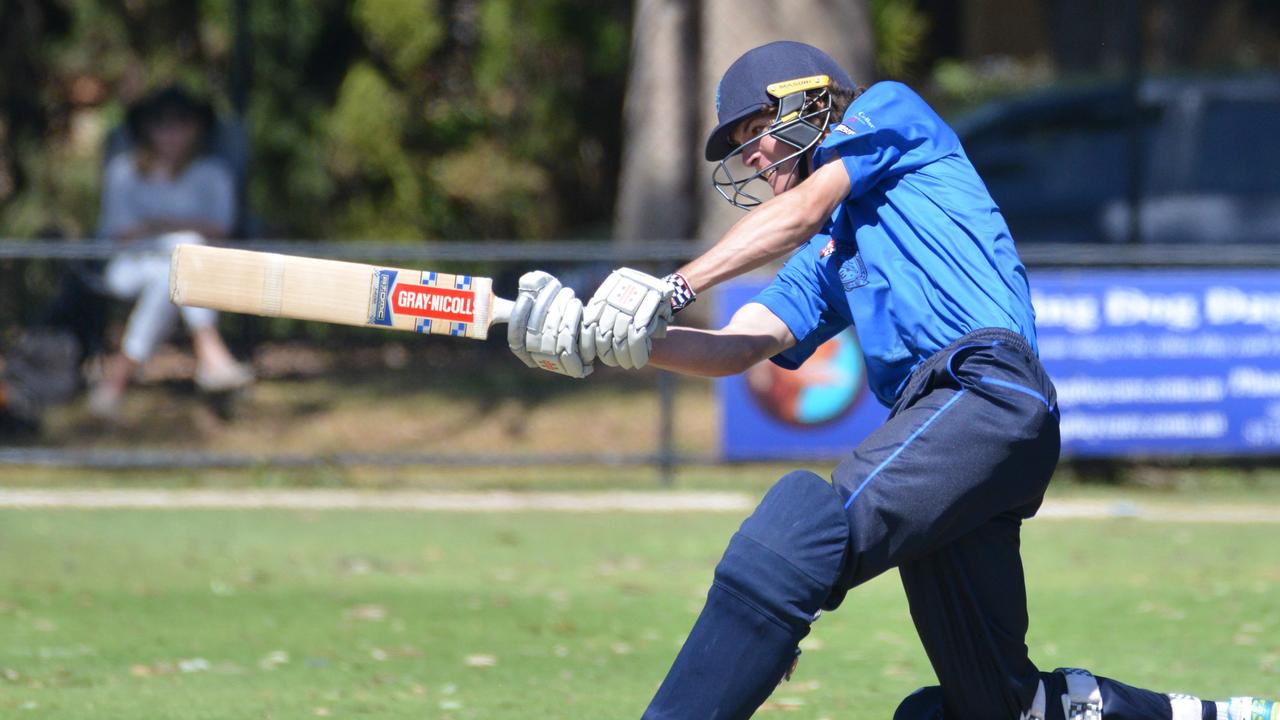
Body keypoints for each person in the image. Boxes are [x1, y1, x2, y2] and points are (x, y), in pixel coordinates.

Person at [508, 41, 1277, 720]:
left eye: (754, 133)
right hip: (961, 435)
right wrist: (619, 341)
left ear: (809, 104)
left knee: (795, 531)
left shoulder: (887, 112)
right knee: (995, 707)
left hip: (986, 391)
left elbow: (807, 206)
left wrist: (669, 287)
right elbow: (740, 346)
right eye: (741, 146)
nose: (749, 157)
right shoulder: (829, 253)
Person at [91, 85, 252, 418]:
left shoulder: (213, 174)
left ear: (198, 128)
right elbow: (118, 233)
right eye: (162, 123)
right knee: (182, 254)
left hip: (192, 269)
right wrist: (173, 229)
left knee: (172, 271)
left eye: (182, 123)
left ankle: (117, 381)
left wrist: (158, 227)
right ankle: (209, 350)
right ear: (146, 128)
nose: (172, 133)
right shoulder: (124, 171)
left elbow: (222, 228)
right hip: (127, 266)